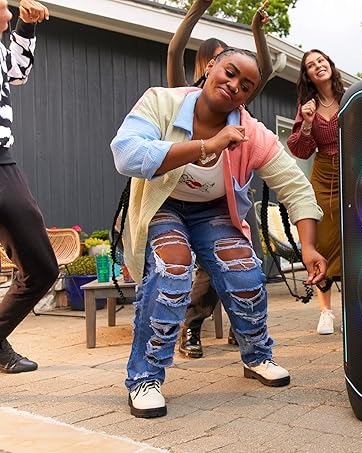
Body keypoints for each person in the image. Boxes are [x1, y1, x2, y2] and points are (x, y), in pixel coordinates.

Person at [111, 47, 327, 418]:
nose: (234, 85)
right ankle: (145, 378)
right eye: (229, 72)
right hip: (164, 204)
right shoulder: (161, 102)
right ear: (211, 66)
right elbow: (126, 153)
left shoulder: (250, 132)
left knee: (244, 270)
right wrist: (205, 146)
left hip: (212, 210)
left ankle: (257, 356)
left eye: (246, 85)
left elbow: (296, 188)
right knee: (172, 268)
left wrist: (307, 246)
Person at [166, 0, 274, 359]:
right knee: (209, 268)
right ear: (208, 65)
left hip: (233, 192)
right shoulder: (183, 95)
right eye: (224, 63)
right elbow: (174, 51)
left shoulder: (238, 102)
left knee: (248, 260)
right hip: (191, 195)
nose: (234, 81)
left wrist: (257, 30)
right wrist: (197, 9)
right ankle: (191, 326)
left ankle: (244, 329)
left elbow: (265, 70)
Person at [0, 0, 58, 374]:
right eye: (3, 8)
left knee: (41, 267)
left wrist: (25, 27)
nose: (8, 14)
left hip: (2, 164)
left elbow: (17, 72)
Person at [287, 49, 345, 335]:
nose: (318, 66)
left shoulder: (350, 97)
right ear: (307, 75)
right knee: (321, 240)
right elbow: (299, 150)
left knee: (356, 237)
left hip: (352, 171)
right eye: (311, 65)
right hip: (322, 176)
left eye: (321, 60)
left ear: (330, 64)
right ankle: (326, 312)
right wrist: (308, 123)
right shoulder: (307, 106)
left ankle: (357, 307)